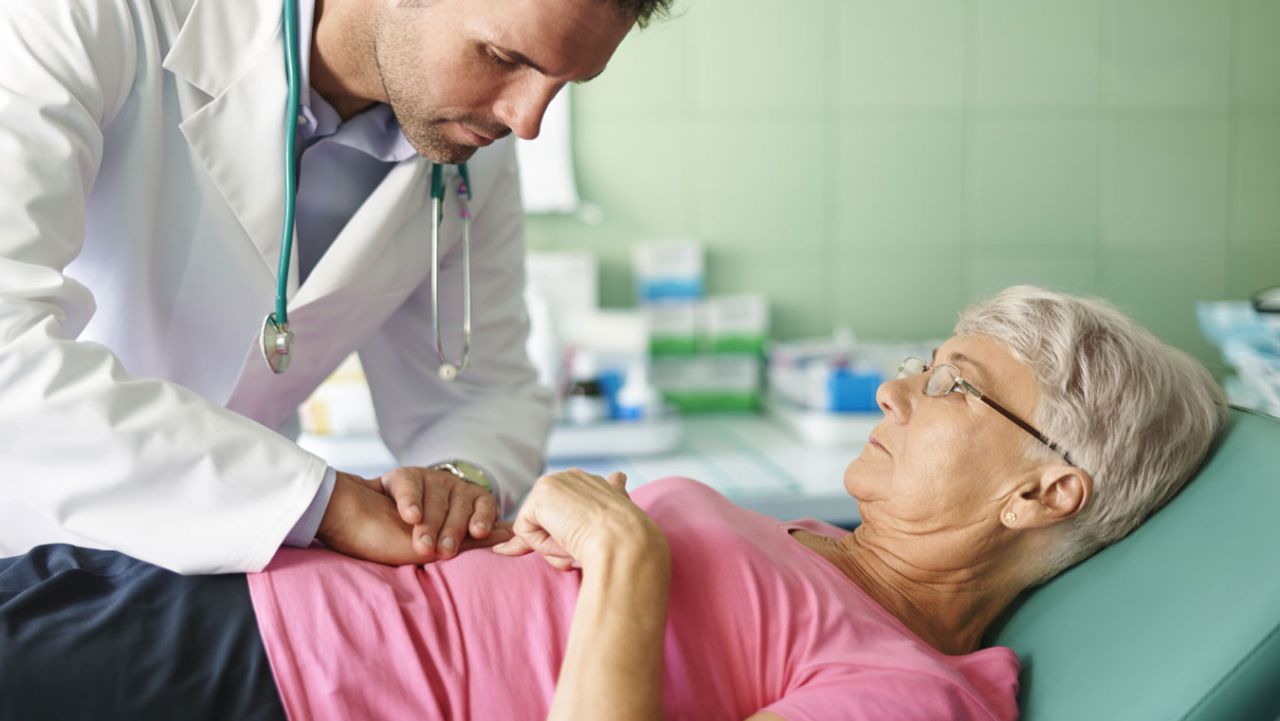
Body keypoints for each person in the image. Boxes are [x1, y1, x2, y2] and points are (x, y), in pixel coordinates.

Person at [0, 287, 1228, 720]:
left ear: (1042, 489)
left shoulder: (911, 689)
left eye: (952, 382)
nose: (897, 387)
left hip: (273, 680)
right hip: (232, 584)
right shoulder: (821, 550)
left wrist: (624, 555)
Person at [0, 0, 669, 574]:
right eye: (501, 57)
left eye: (563, 82)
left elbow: (482, 390)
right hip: (26, 546)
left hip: (234, 583)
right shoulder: (89, 17)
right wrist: (323, 503)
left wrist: (456, 482)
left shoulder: (466, 152)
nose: (526, 120)